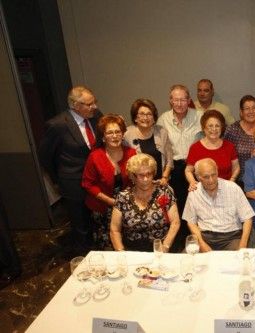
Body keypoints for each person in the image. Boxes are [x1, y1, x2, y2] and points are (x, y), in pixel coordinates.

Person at [38, 86, 102, 253]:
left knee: (98, 219)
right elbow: (45, 156)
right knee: (81, 224)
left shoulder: (96, 117)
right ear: (75, 105)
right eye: (90, 104)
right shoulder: (57, 125)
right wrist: (59, 179)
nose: (94, 106)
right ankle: (85, 256)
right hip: (74, 182)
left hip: (96, 179)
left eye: (94, 102)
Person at [156, 84, 202, 251]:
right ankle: (178, 241)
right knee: (176, 205)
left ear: (189, 100)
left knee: (195, 204)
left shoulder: (199, 116)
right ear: (170, 101)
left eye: (183, 99)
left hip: (194, 168)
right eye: (176, 100)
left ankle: (195, 240)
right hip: (174, 168)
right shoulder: (163, 119)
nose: (180, 103)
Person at [81, 115, 136, 249]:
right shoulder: (95, 156)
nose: (114, 136)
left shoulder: (131, 153)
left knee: (126, 243)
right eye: (110, 132)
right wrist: (110, 201)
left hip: (125, 206)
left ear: (123, 134)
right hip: (101, 207)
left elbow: (135, 179)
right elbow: (87, 184)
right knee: (107, 246)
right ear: (103, 137)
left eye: (118, 132)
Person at [110, 154, 180, 252]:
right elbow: (114, 230)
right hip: (131, 251)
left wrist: (165, 247)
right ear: (132, 176)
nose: (146, 179)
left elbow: (175, 223)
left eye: (149, 174)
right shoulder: (123, 197)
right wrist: (121, 252)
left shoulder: (164, 191)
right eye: (141, 175)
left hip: (160, 248)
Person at [183, 158, 254, 251]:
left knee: (236, 262)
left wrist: (242, 246)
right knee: (186, 261)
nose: (211, 180)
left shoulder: (233, 188)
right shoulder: (194, 193)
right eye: (206, 177)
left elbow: (248, 218)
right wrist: (201, 244)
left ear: (217, 171)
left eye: (213, 175)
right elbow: (191, 222)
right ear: (198, 177)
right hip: (205, 237)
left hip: (231, 237)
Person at [185, 110, 239, 191]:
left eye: (217, 126)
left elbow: (236, 167)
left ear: (222, 128)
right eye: (210, 126)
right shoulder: (195, 148)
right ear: (204, 128)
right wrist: (192, 182)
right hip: (204, 190)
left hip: (227, 189)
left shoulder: (229, 146)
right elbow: (188, 171)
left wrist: (232, 180)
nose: (214, 129)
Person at [123, 98, 173, 184]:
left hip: (160, 182)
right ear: (135, 118)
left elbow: (169, 160)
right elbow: (126, 164)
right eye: (142, 114)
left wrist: (165, 177)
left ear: (154, 118)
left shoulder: (162, 132)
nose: (145, 117)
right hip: (138, 184)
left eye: (149, 114)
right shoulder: (127, 134)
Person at [224, 95, 255, 185]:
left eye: (254, 108)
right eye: (247, 108)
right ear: (241, 112)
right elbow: (225, 154)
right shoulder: (233, 130)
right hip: (239, 180)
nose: (251, 112)